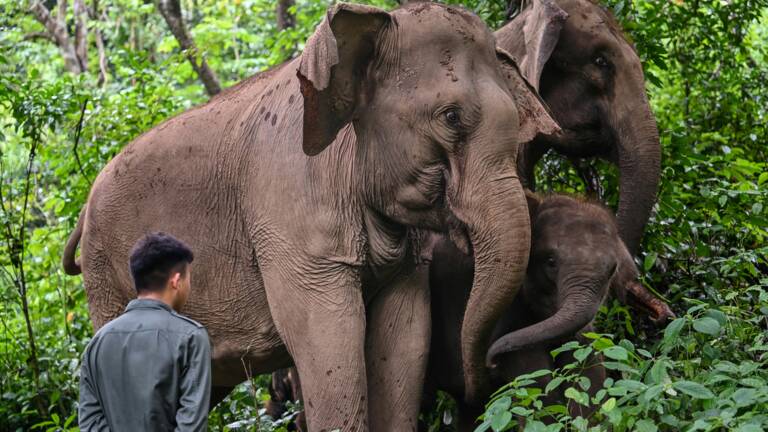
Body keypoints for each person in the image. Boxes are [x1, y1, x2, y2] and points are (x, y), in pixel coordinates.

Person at [79, 232, 211, 431]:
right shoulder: (191, 337)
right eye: (188, 279)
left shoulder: (98, 343)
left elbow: (90, 424)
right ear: (176, 281)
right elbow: (191, 427)